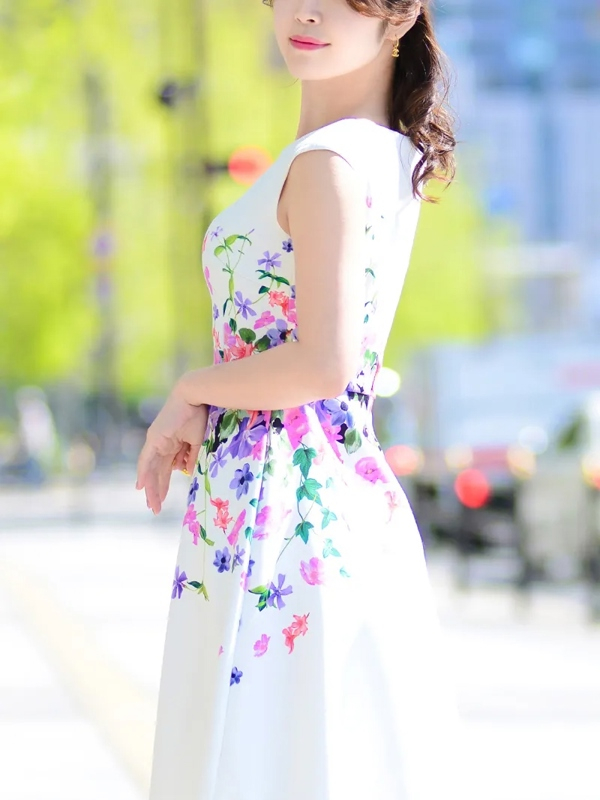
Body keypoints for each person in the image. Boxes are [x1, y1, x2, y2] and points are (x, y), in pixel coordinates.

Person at [136, 1, 462, 798]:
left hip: (280, 516)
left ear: (399, 17)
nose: (305, 12)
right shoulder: (378, 154)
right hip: (322, 504)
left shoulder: (330, 162)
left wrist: (193, 389)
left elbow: (324, 361)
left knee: (260, 764)